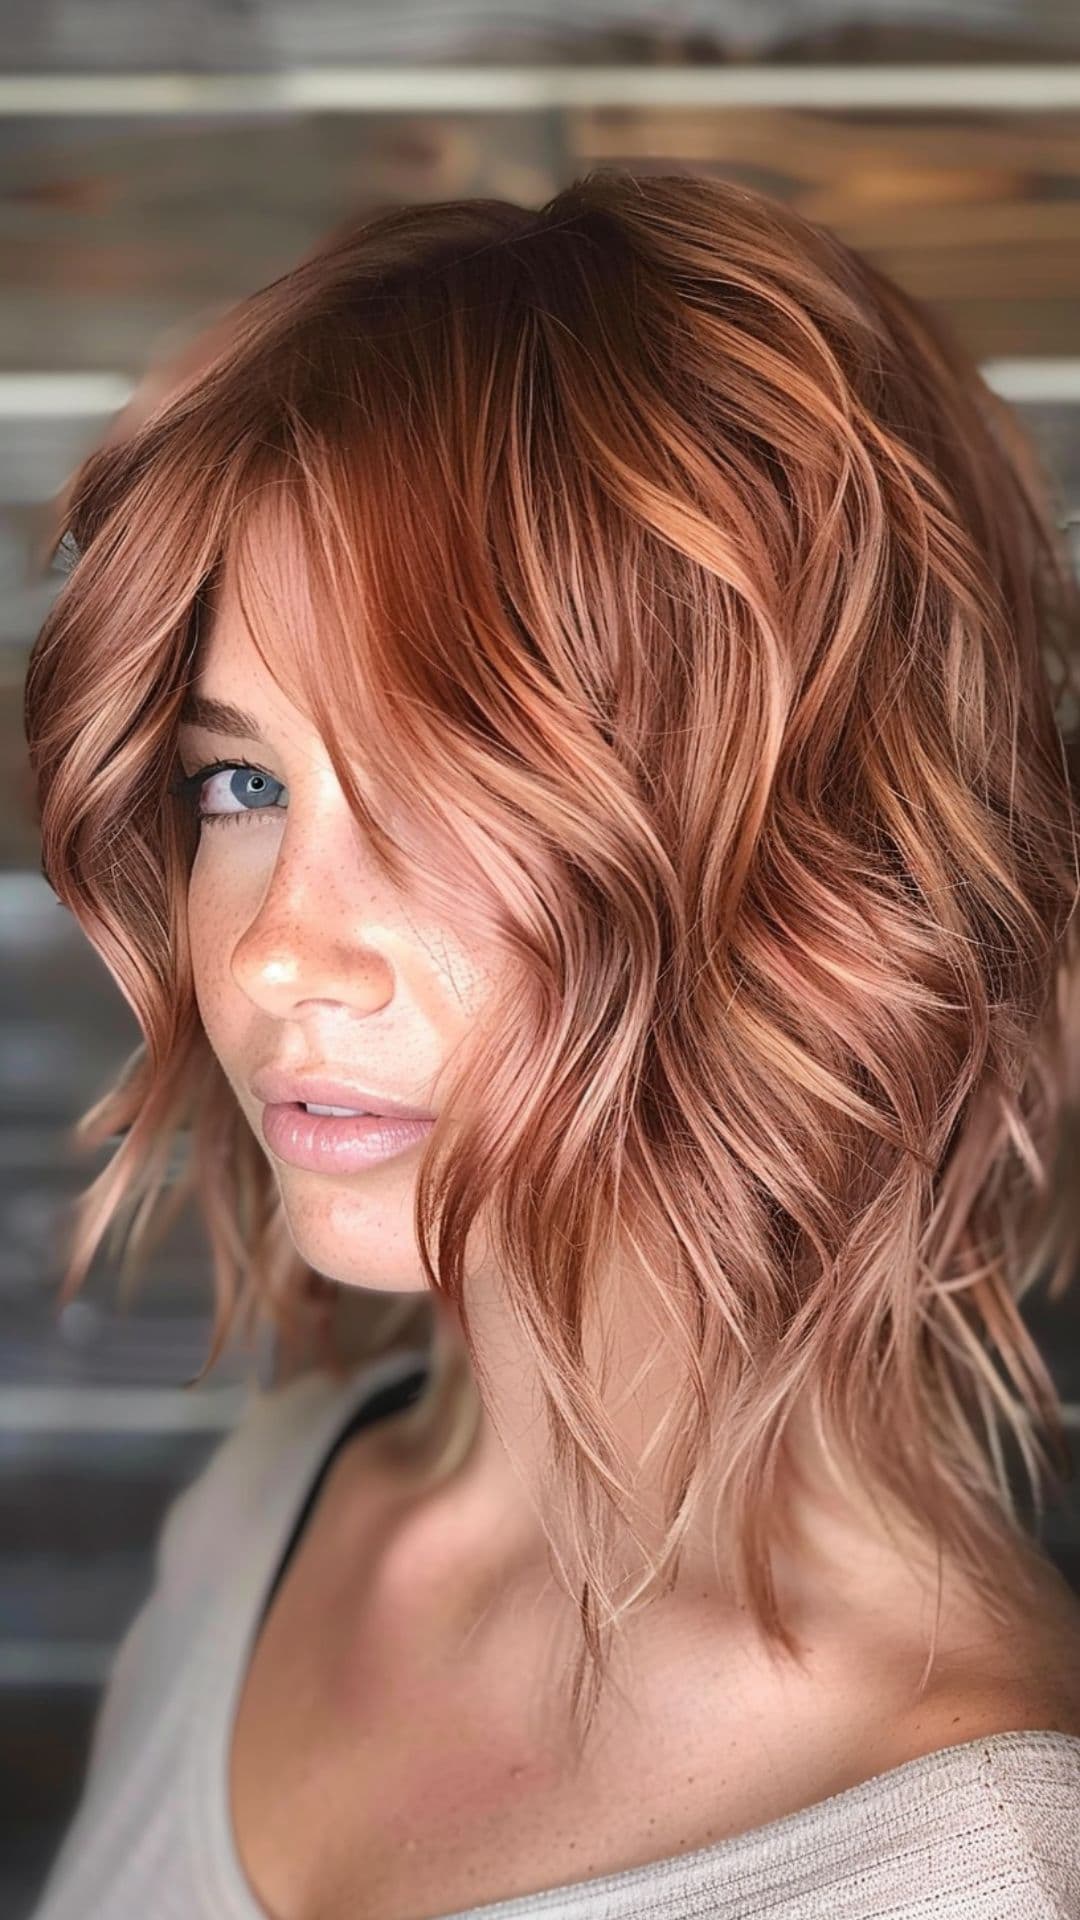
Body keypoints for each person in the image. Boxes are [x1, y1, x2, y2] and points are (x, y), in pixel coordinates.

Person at [23, 168, 1080, 1920]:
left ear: (806, 872)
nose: (282, 950)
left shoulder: (964, 1873)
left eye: (449, 801)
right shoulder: (272, 1511)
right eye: (245, 783)